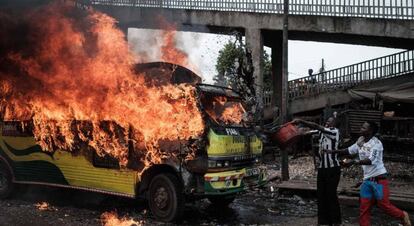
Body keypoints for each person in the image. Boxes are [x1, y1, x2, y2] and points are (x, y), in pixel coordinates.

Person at [324, 121, 411, 226]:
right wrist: (332, 152)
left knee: (384, 205)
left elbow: (371, 160)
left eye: (363, 128)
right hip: (367, 181)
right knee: (364, 208)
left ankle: (402, 215)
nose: (361, 129)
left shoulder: (377, 144)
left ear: (370, 131)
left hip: (379, 180)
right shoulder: (361, 141)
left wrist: (354, 162)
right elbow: (349, 150)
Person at [293, 117, 342, 226]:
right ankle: (323, 221)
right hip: (322, 168)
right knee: (321, 194)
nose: (327, 122)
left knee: (331, 195)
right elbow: (309, 131)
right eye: (327, 120)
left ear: (335, 124)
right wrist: (297, 130)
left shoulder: (334, 132)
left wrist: (301, 121)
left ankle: (335, 221)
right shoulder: (321, 131)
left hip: (332, 168)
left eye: (330, 121)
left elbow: (316, 126)